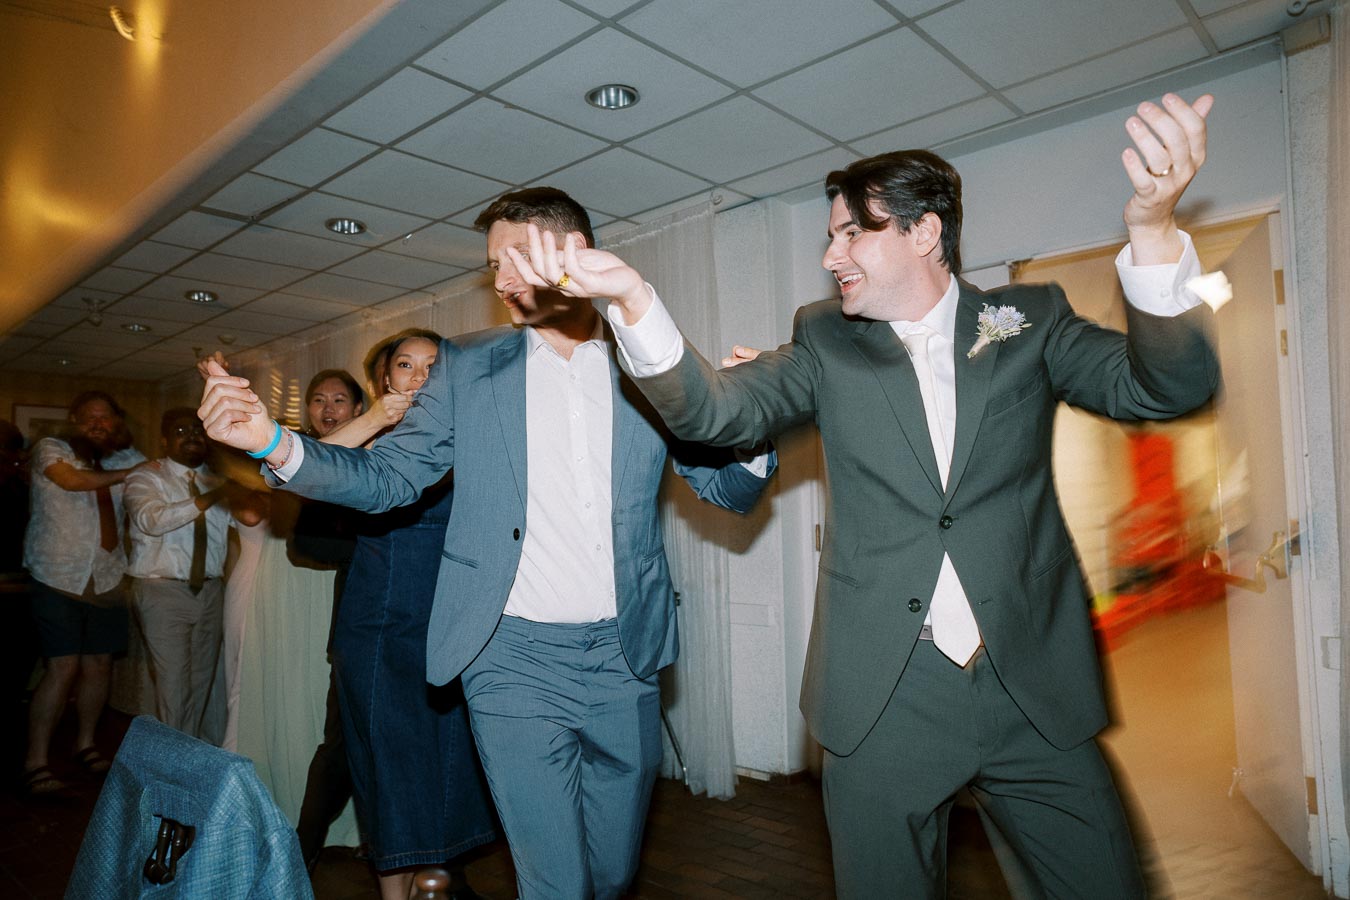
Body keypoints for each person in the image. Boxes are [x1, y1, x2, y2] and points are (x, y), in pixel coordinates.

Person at [503, 94, 1220, 897]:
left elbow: (1167, 390)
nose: (831, 253)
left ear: (923, 232)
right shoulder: (824, 340)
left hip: (1034, 687)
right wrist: (631, 298)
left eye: (853, 231)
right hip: (885, 695)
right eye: (829, 234)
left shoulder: (1032, 319)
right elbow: (712, 411)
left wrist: (1154, 231)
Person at [198, 187, 776, 900]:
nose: (497, 281)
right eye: (490, 264)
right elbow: (388, 478)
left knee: (613, 873)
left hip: (625, 656)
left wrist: (751, 428)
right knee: (554, 881)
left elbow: (727, 490)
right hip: (513, 660)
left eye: (512, 261)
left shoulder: (647, 361)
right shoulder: (468, 368)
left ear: (571, 255)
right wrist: (272, 442)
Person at [329, 329, 496, 900]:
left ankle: (438, 884)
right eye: (406, 365)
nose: (421, 376)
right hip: (379, 628)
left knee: (450, 768)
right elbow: (315, 470)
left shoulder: (468, 439)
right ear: (385, 379)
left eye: (435, 365)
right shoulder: (372, 441)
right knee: (389, 768)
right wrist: (376, 418)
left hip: (451, 629)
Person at [21, 391, 146, 795]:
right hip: (58, 575)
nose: (98, 424)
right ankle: (35, 760)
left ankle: (85, 745)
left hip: (108, 577)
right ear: (75, 420)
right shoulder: (51, 449)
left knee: (99, 665)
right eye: (89, 417)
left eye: (106, 418)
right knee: (63, 667)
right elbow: (73, 481)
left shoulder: (125, 458)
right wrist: (133, 474)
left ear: (116, 422)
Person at [123, 409, 241, 742]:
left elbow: (243, 528)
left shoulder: (220, 480)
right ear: (164, 439)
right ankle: (172, 772)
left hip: (211, 591)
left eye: (198, 430)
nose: (191, 436)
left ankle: (190, 761)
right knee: (173, 687)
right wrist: (209, 497)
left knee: (202, 685)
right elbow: (152, 520)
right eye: (180, 430)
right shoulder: (146, 476)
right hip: (162, 592)